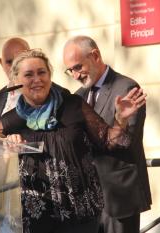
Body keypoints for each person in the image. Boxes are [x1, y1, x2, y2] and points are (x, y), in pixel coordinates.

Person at [0, 49, 146, 233]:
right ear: (16, 82)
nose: (37, 79)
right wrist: (6, 153)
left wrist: (121, 120)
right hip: (35, 218)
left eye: (42, 72)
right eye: (28, 75)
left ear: (50, 76)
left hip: (80, 215)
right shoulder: (9, 122)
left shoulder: (73, 105)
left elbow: (109, 141)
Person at [62, 35, 152, 233]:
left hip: (119, 196)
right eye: (70, 70)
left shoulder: (126, 87)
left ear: (95, 55)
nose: (75, 75)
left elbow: (127, 141)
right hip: (88, 200)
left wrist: (120, 120)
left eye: (78, 67)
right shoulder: (78, 96)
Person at [0, 37, 30, 135]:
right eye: (9, 62)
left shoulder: (47, 92)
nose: (15, 67)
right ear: (1, 63)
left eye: (20, 61)